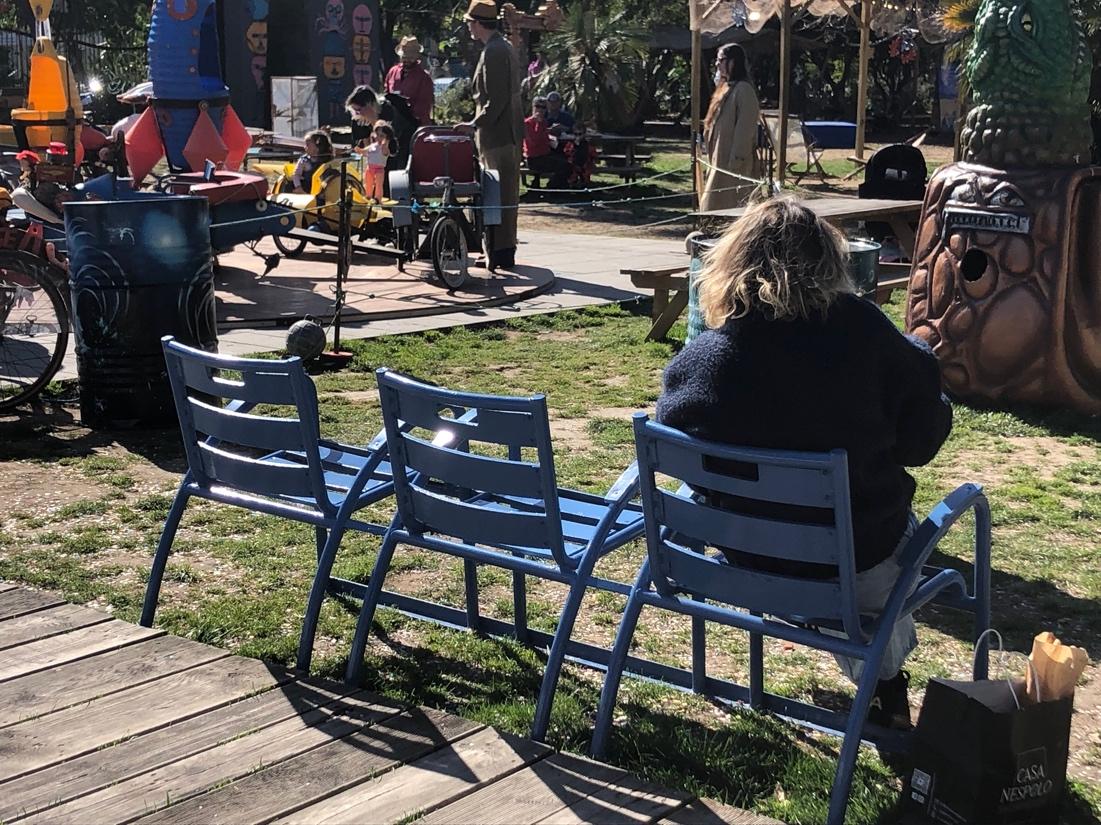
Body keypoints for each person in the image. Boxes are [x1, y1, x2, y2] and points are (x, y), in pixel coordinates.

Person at [655, 197, 953, 730]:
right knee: (883, 541)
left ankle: (875, 676)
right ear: (830, 262)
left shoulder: (700, 361)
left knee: (842, 533)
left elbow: (681, 447)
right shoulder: (864, 334)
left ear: (731, 263)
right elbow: (919, 447)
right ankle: (883, 680)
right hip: (854, 571)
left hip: (740, 564)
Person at [454, 0, 523, 270]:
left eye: (470, 22)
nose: (469, 27)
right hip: (504, 134)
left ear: (478, 23)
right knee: (502, 195)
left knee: (498, 195)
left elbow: (496, 99)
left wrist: (473, 123)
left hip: (498, 136)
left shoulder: (495, 51)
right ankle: (496, 250)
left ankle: (500, 252)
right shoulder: (500, 47)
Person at [700, 43, 761, 212]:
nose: (717, 64)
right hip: (719, 161)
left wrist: (737, 161)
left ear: (733, 62)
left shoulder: (744, 90)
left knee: (732, 207)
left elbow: (745, 129)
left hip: (734, 167)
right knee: (712, 207)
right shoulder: (725, 88)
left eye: (721, 60)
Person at [346, 85, 416, 173]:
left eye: (359, 110)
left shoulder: (388, 113)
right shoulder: (361, 120)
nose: (357, 115)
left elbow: (387, 148)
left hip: (401, 151)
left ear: (370, 104)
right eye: (354, 111)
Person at [384, 36, 435, 127]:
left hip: (415, 125)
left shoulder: (424, 78)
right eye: (405, 56)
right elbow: (386, 93)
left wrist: (406, 112)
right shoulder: (393, 72)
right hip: (393, 123)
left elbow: (423, 107)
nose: (407, 60)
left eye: (410, 57)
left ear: (416, 57)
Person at [523, 97, 568, 188]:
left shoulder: (544, 122)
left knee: (567, 160)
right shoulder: (527, 123)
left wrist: (551, 137)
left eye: (543, 107)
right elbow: (533, 142)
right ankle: (550, 188)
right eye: (538, 106)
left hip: (545, 154)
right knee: (564, 166)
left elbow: (544, 139)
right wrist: (539, 125)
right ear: (533, 107)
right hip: (534, 158)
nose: (540, 109)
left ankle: (556, 188)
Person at [363, 121, 395, 201]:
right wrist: (360, 150)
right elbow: (366, 151)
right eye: (377, 134)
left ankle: (378, 197)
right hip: (370, 168)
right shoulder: (373, 146)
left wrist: (385, 144)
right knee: (368, 183)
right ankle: (368, 195)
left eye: (381, 136)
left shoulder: (385, 148)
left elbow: (385, 152)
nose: (378, 137)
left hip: (379, 169)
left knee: (379, 184)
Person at [563, 121, 597, 187]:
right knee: (570, 171)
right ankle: (572, 184)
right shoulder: (570, 144)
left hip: (585, 165)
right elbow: (566, 152)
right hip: (573, 165)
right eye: (575, 134)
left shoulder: (588, 144)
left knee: (585, 174)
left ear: (584, 134)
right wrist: (574, 146)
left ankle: (584, 186)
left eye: (580, 134)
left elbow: (593, 154)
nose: (578, 136)